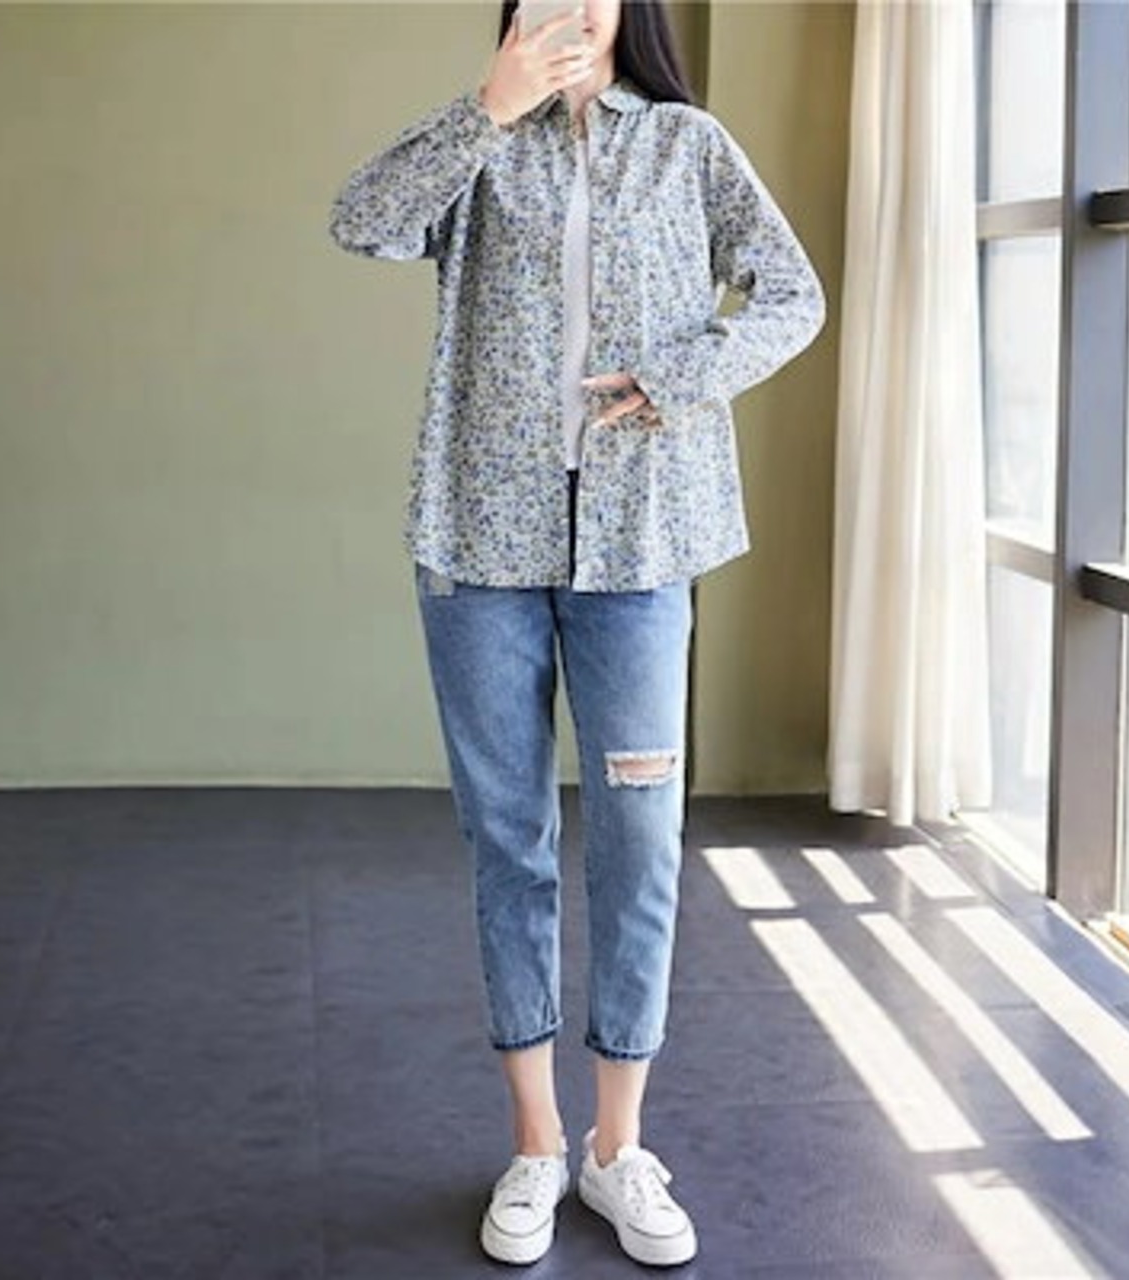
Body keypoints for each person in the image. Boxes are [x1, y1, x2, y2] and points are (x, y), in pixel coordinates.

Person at [328, 0, 824, 1266]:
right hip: (476, 542)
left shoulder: (688, 147)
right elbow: (362, 221)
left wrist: (678, 376)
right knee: (508, 840)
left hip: (641, 549)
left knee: (640, 843)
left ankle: (617, 1145)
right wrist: (484, 111)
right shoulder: (479, 145)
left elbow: (791, 294)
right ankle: (536, 1141)